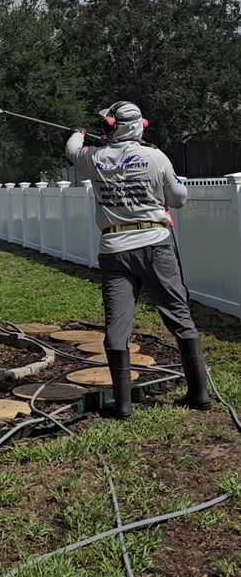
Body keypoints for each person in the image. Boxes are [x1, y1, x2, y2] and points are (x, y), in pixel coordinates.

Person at [66, 100, 210, 419]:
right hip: (156, 244)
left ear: (111, 127)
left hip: (114, 249)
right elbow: (179, 199)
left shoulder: (94, 158)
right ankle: (199, 394)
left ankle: (123, 405)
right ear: (138, 127)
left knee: (117, 325)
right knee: (177, 313)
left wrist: (80, 134)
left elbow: (72, 148)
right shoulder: (155, 157)